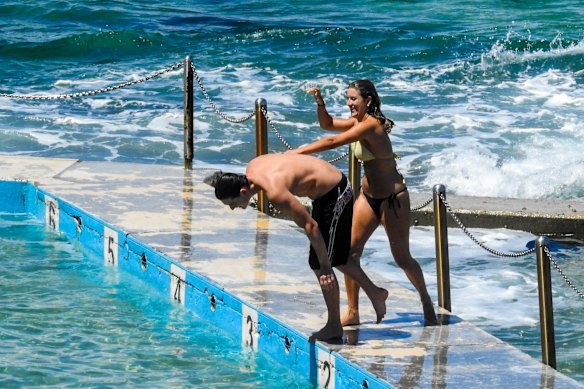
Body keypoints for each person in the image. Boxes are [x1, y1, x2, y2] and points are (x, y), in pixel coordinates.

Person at [289, 79, 438, 326]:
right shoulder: (358, 123)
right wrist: (319, 101)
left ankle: (426, 303)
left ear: (368, 101)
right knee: (349, 253)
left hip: (393, 199)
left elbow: (331, 143)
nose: (349, 103)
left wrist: (295, 153)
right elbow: (326, 125)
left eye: (353, 99)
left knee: (402, 258)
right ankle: (354, 312)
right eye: (347, 99)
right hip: (368, 198)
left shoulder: (371, 126)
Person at [206, 153, 389, 341]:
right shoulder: (253, 166)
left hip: (336, 192)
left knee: (320, 262)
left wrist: (325, 266)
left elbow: (311, 226)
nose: (232, 208)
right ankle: (376, 293)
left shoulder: (275, 192)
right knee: (332, 256)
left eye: (232, 203)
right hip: (327, 188)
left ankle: (335, 325)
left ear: (243, 192)